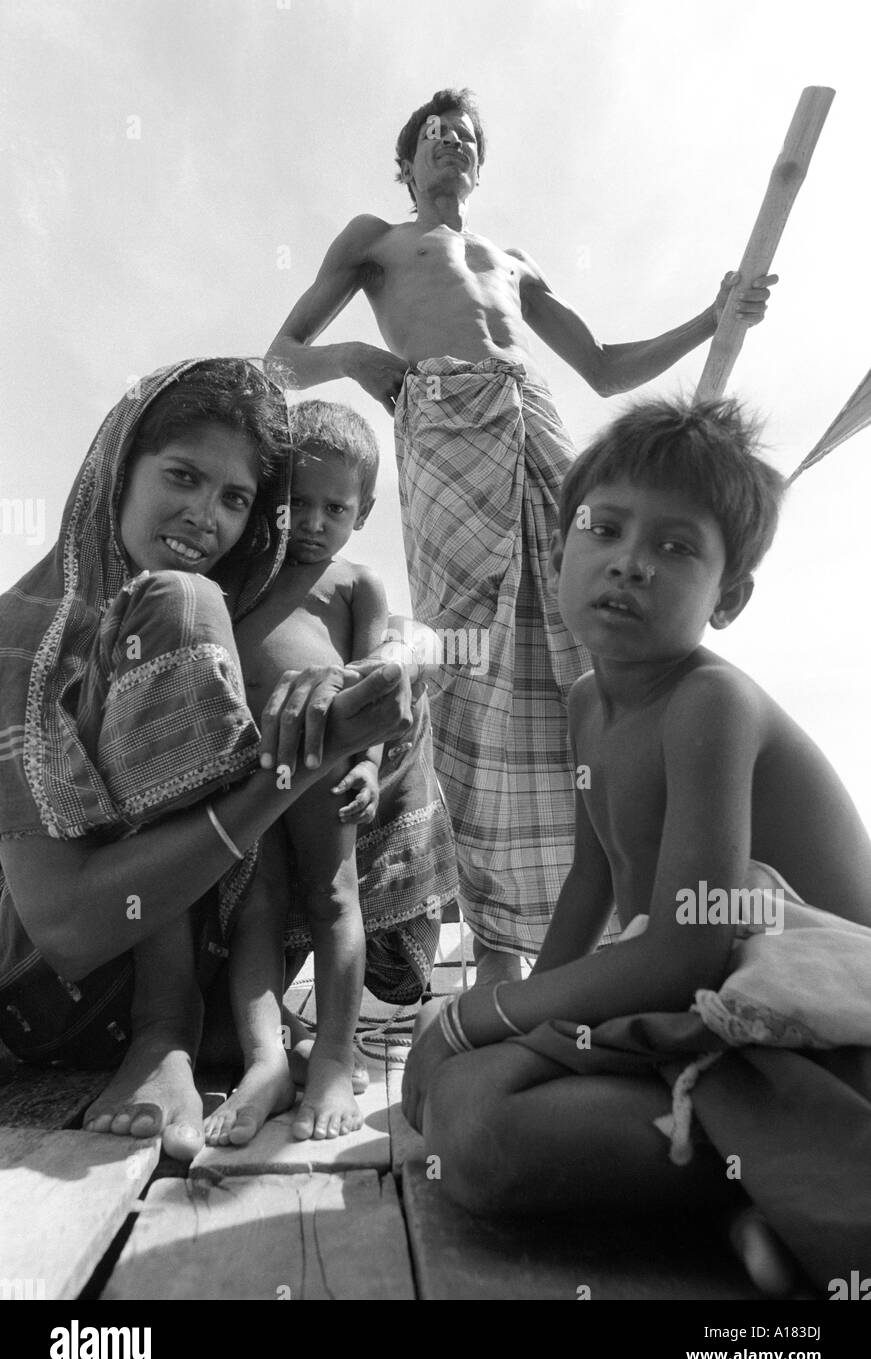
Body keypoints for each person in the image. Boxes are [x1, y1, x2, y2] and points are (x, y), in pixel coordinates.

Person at [264, 87, 776, 986]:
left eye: (464, 135)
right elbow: (279, 359)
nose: (449, 143)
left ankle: (643, 898)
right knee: (471, 665)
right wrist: (350, 359)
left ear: (478, 161)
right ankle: (497, 944)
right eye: (433, 134)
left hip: (533, 421)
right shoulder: (375, 240)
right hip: (441, 428)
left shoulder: (513, 260)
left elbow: (605, 367)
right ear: (408, 159)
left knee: (597, 630)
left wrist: (712, 316)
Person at [402, 397, 871, 1294]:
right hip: (700, 1005)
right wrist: (510, 1014)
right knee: (450, 1085)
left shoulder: (710, 703)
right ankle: (755, 1200)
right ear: (561, 549)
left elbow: (688, 941)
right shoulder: (588, 704)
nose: (630, 563)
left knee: (476, 1127)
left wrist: (479, 1020)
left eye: (676, 547)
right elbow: (591, 881)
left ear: (726, 598)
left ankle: (784, 1187)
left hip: (810, 1035)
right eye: (605, 529)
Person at [0, 359, 418, 1160]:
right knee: (183, 601)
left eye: (235, 499)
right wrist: (289, 771)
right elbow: (67, 930)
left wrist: (387, 671)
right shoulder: (27, 629)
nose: (206, 516)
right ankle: (165, 1034)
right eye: (183, 477)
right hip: (51, 984)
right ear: (118, 470)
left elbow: (396, 629)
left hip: (212, 961)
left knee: (385, 690)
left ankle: (268, 1042)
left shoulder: (259, 590)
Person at [205, 401, 455, 1146]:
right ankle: (264, 1064)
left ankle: (334, 1057)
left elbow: (381, 687)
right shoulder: (237, 573)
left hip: (325, 761)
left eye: (334, 507)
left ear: (363, 510)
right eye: (295, 503)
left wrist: (373, 767)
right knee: (254, 905)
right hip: (244, 767)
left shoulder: (354, 585)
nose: (312, 522)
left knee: (331, 895)